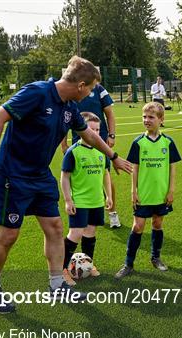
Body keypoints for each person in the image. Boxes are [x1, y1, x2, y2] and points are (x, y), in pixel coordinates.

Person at [0, 55, 132, 313]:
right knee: (8, 235)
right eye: (92, 88)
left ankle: (57, 284)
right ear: (81, 85)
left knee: (54, 226)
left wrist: (114, 157)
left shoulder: (70, 108)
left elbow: (90, 137)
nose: (92, 94)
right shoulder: (37, 93)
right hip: (13, 176)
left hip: (40, 177)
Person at [115, 102, 181, 278]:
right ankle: (128, 263)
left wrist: (171, 190)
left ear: (161, 119)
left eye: (151, 117)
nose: (146, 120)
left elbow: (172, 167)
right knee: (138, 226)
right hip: (143, 193)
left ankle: (156, 257)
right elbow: (134, 168)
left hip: (161, 193)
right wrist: (133, 191)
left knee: (158, 224)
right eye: (144, 116)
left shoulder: (168, 142)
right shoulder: (138, 142)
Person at [60, 112, 112, 284]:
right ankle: (62, 269)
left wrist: (108, 195)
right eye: (91, 129)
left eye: (98, 130)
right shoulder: (73, 151)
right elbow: (65, 177)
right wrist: (68, 200)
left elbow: (105, 174)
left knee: (90, 233)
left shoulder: (101, 150)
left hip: (96, 200)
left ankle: (87, 265)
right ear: (81, 130)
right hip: (80, 201)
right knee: (75, 234)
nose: (95, 133)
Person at [61, 83, 122, 229]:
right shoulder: (71, 90)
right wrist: (63, 143)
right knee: (80, 177)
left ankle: (112, 212)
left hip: (100, 141)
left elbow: (109, 113)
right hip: (79, 140)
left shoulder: (99, 89)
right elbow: (65, 118)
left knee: (104, 173)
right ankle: (82, 210)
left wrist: (111, 135)